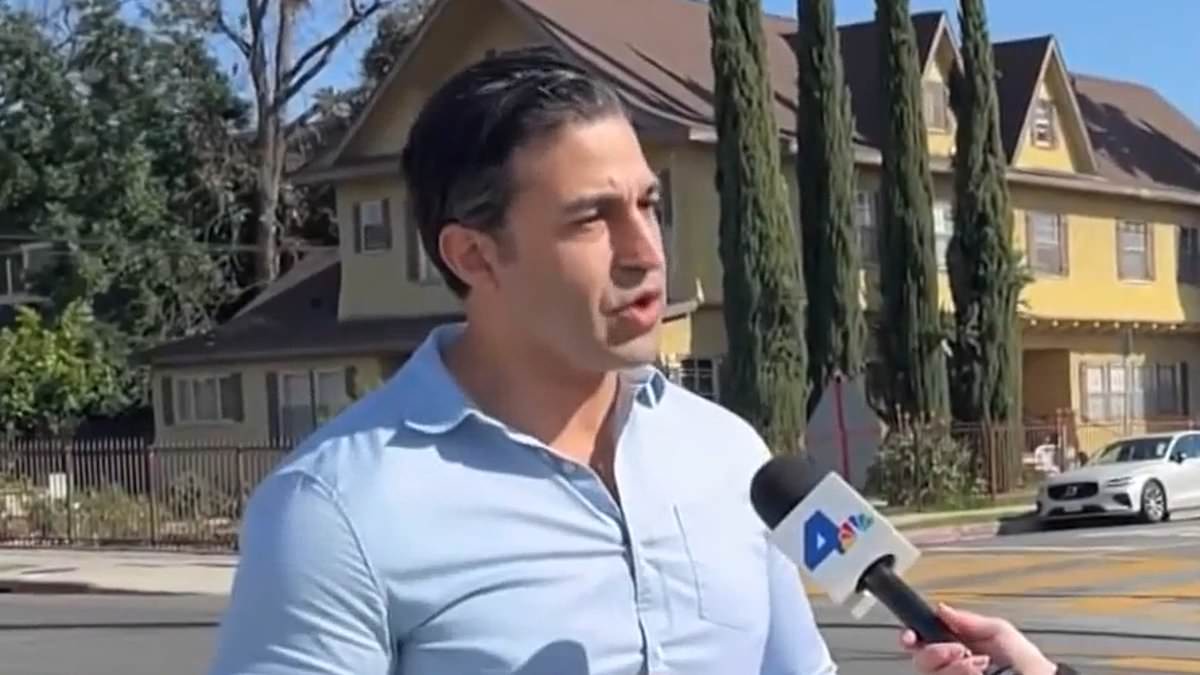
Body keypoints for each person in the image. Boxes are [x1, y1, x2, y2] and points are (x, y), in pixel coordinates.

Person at [206, 45, 1067, 675]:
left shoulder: (729, 456)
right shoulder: (334, 509)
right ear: (473, 254)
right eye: (591, 218)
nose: (646, 250)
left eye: (649, 204)